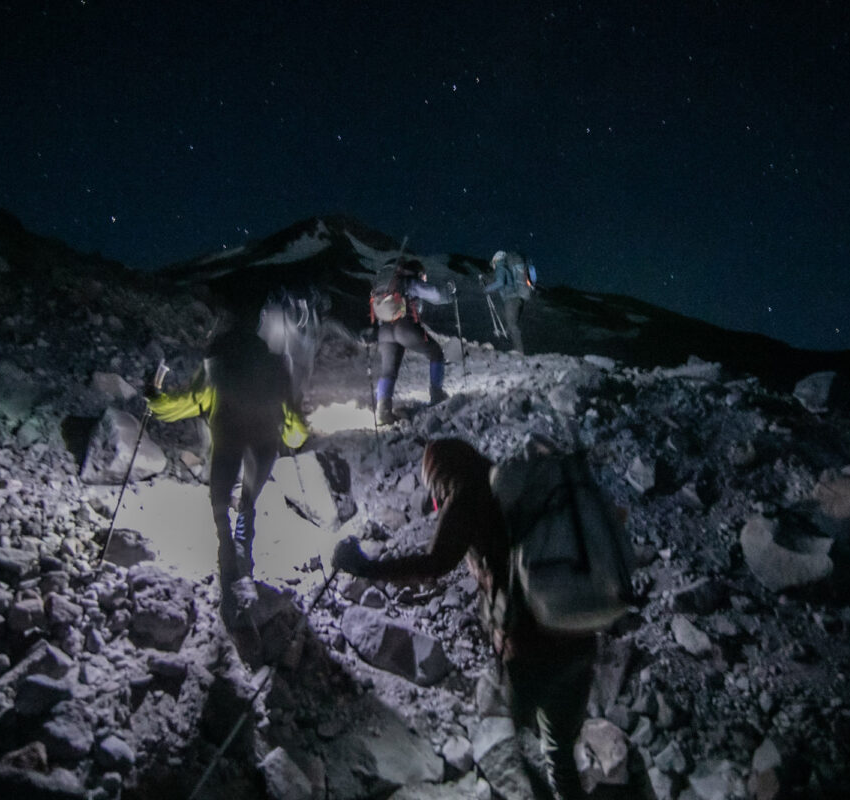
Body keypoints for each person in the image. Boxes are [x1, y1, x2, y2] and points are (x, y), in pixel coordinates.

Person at [332, 438, 596, 800]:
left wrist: (367, 567)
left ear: (440, 476)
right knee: (559, 751)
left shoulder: (468, 494)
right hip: (581, 630)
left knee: (518, 749)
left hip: (533, 648)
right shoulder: (510, 486)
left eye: (434, 487)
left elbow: (435, 564)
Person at [146, 304, 309, 604]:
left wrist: (155, 401)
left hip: (228, 439)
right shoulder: (276, 365)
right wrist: (295, 438)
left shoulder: (216, 363)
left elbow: (190, 401)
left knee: (219, 502)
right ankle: (243, 557)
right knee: (248, 501)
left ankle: (226, 555)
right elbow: (292, 417)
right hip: (264, 445)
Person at [370, 257, 453, 425]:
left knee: (388, 371)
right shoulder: (408, 282)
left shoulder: (384, 286)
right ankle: (437, 394)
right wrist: (449, 294)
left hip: (384, 331)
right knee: (436, 353)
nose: (423, 278)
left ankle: (383, 412)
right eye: (422, 275)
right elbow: (435, 295)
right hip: (404, 327)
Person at [481, 250, 533, 354]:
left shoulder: (500, 267)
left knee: (511, 324)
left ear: (495, 260)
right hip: (518, 299)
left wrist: (486, 289)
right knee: (510, 325)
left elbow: (500, 282)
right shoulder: (505, 268)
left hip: (511, 299)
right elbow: (502, 281)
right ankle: (513, 349)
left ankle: (519, 352)